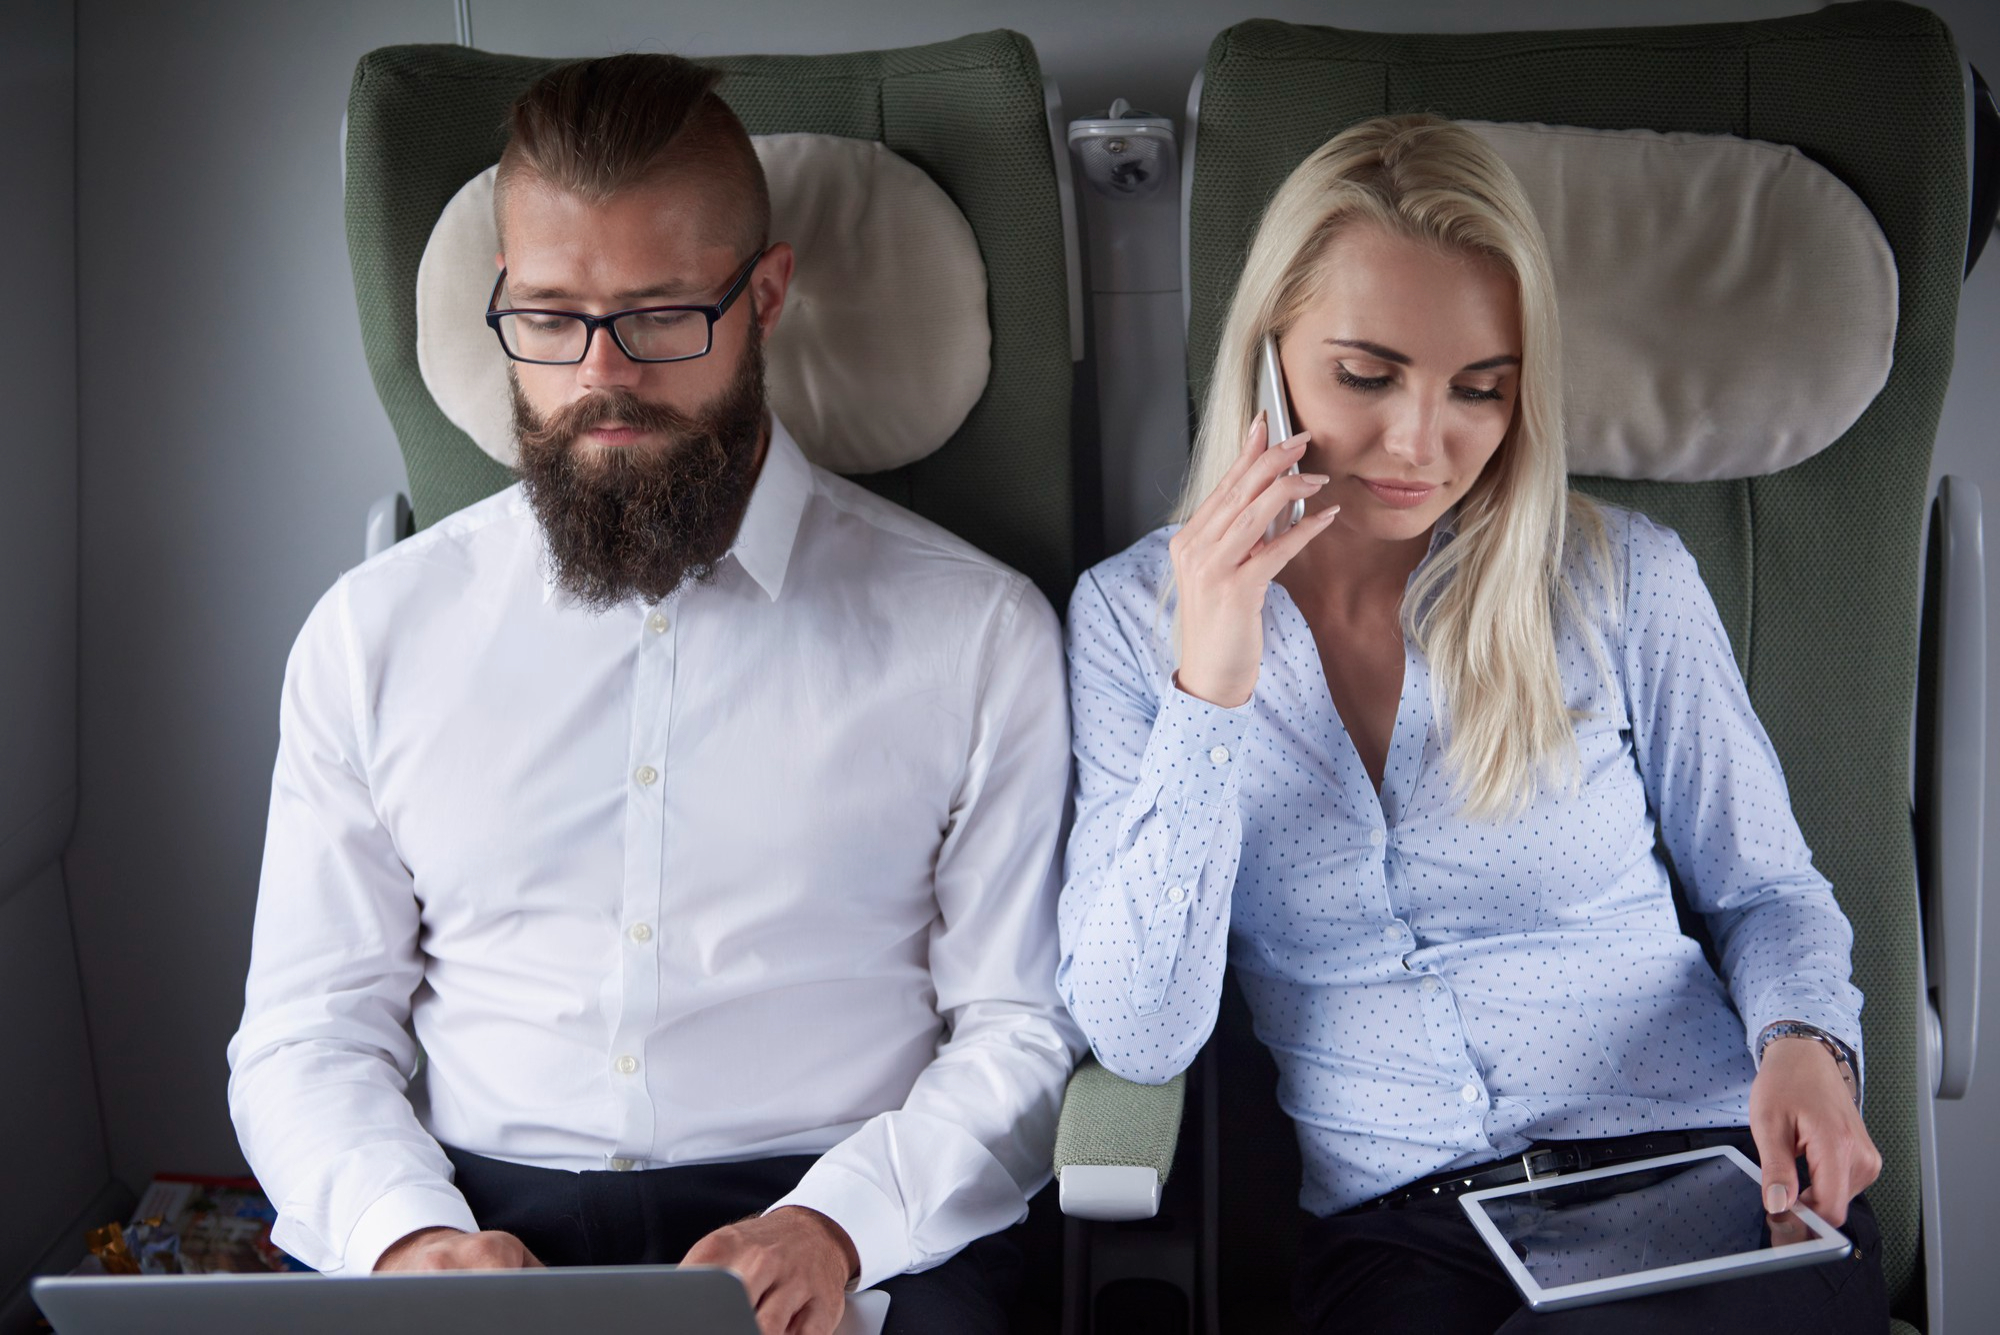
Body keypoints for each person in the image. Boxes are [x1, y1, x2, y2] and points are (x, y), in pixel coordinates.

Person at [227, 53, 1081, 1335]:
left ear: (766, 296)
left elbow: (1017, 1028)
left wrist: (835, 1227)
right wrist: (405, 1241)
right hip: (471, 1214)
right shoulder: (373, 634)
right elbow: (307, 1034)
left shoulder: (976, 633)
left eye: (660, 315)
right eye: (552, 317)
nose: (600, 376)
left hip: (851, 1215)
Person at [1056, 114, 1887, 1333]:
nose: (1418, 444)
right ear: (1267, 350)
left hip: (1699, 1173)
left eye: (1478, 391)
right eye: (1365, 374)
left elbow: (1767, 890)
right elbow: (1137, 1028)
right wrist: (1212, 681)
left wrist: (1805, 1039)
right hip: (1407, 1233)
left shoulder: (1617, 580)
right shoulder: (1130, 623)